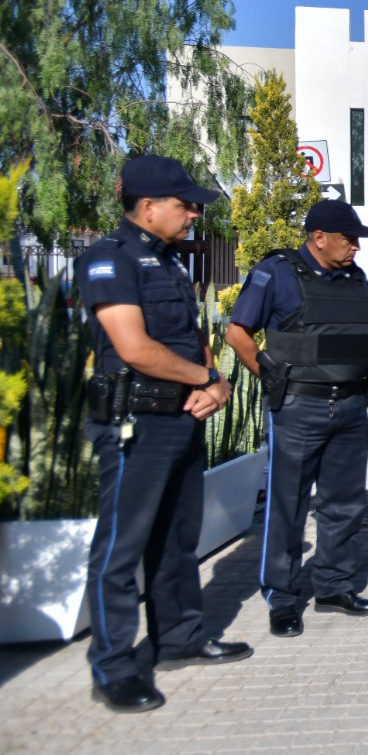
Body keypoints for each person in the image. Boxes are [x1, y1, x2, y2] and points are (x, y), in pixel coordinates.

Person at [75, 155, 252, 713]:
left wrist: (215, 384)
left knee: (178, 538)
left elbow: (190, 338)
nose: (195, 213)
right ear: (148, 206)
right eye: (185, 204)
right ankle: (113, 667)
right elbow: (134, 348)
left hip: (181, 416)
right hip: (136, 424)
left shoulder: (170, 262)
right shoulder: (110, 258)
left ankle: (178, 638)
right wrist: (207, 378)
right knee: (121, 547)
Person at [226, 200, 368, 639]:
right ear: (319, 238)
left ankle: (334, 587)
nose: (356, 247)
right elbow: (237, 334)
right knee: (288, 506)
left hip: (350, 406)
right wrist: (272, 378)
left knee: (345, 504)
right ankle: (282, 598)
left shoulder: (353, 277)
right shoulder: (276, 272)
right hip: (299, 408)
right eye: (349, 239)